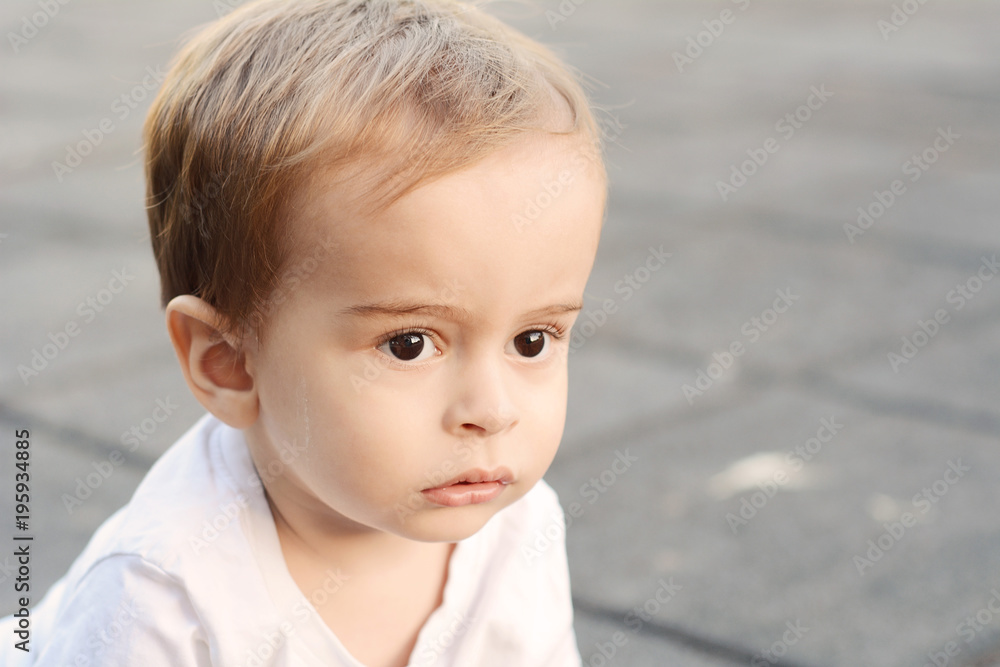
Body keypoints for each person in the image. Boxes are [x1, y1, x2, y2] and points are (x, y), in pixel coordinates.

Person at [1, 0, 607, 664]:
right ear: (229, 361)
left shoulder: (519, 526)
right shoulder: (161, 602)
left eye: (533, 339)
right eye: (408, 343)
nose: (493, 410)